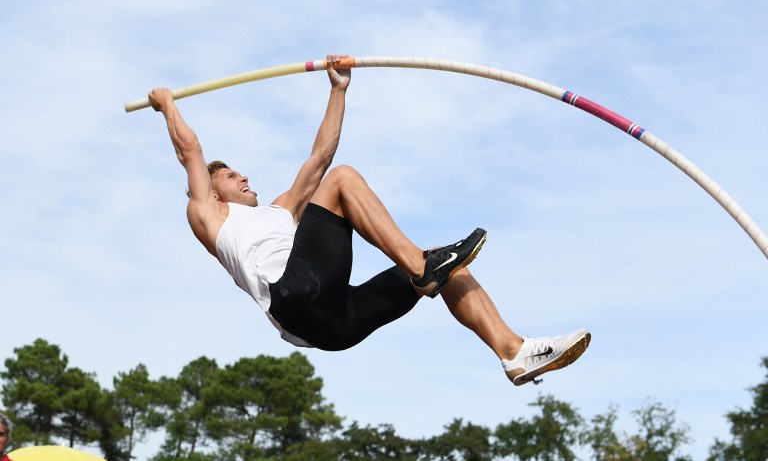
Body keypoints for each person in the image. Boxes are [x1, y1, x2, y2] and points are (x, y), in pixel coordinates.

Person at [148, 54, 590, 385]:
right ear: (210, 189)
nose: (244, 176)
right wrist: (168, 104)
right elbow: (190, 151)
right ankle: (421, 268)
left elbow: (320, 157)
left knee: (449, 266)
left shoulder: (280, 210)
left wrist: (338, 90)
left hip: (334, 326)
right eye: (230, 175)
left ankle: (512, 351)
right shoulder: (210, 216)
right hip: (295, 295)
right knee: (349, 186)